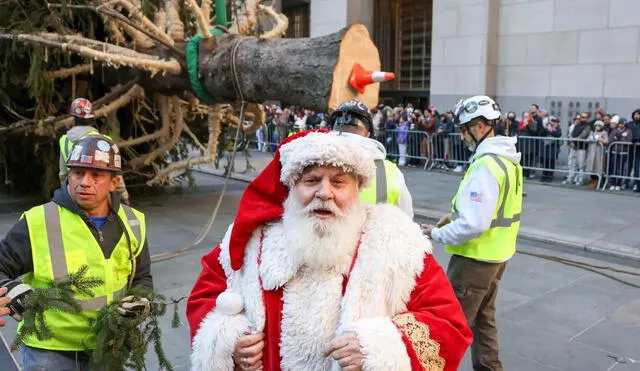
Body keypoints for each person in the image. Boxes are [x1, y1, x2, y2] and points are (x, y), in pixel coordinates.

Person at [187, 130, 472, 371]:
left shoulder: (398, 242)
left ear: (357, 188)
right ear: (292, 187)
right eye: (311, 180)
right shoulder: (252, 238)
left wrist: (379, 347)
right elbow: (205, 296)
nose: (325, 193)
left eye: (338, 182)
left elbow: (449, 325)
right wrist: (228, 341)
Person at [0, 135, 153, 370]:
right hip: (49, 349)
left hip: (108, 344)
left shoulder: (133, 221)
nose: (84, 182)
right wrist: (14, 289)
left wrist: (142, 302)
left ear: (114, 182)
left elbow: (141, 277)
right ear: (68, 176)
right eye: (78, 173)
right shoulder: (39, 220)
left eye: (96, 175)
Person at [422, 95, 523, 371]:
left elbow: (474, 225)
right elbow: (493, 211)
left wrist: (437, 235)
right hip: (497, 257)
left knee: (450, 328)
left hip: (473, 262)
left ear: (479, 127)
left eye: (464, 129)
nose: (462, 136)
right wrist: (452, 218)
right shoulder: (507, 160)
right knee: (483, 320)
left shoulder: (486, 165)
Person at [329, 98, 414, 217]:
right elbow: (407, 221)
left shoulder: (312, 160)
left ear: (333, 128)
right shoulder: (392, 173)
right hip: (374, 234)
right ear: (368, 134)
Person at [60, 97, 130, 205]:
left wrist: (66, 197)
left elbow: (63, 174)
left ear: (74, 118)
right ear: (92, 118)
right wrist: (123, 194)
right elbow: (116, 174)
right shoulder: (104, 142)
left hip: (74, 194)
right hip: (98, 196)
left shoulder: (64, 140)